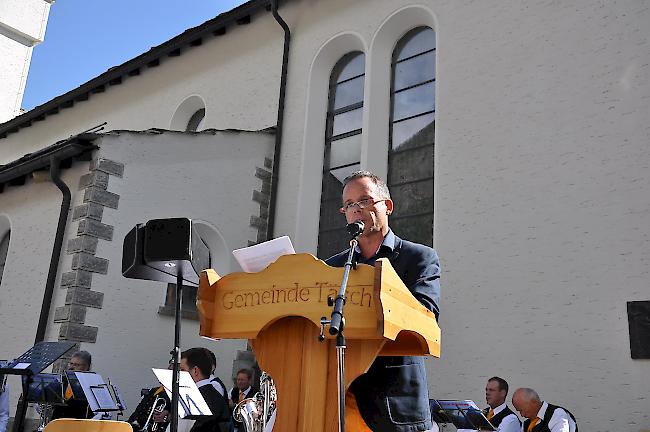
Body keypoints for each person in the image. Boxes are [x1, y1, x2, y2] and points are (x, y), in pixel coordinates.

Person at [325, 170, 441, 432]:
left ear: (387, 206)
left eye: (364, 200)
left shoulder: (418, 258)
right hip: (339, 402)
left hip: (394, 405)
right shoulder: (333, 268)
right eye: (349, 205)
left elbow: (427, 318)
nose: (356, 209)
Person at [180, 348, 231, 432]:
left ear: (195, 371)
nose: (179, 374)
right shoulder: (209, 394)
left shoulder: (200, 397)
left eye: (182, 370)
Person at [51, 350, 93, 420]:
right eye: (71, 363)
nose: (71, 367)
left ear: (86, 367)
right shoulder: (61, 381)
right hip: (56, 423)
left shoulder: (90, 385)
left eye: (76, 365)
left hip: (76, 425)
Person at [512, 388, 577, 432]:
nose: (522, 415)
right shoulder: (526, 424)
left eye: (522, 410)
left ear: (534, 402)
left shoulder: (557, 414)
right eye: (519, 411)